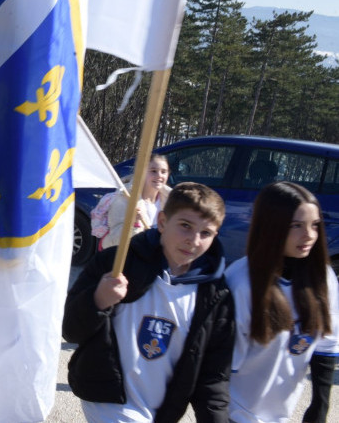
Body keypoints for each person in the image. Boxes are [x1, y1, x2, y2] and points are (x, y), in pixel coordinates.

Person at [63, 182, 234, 423]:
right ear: (162, 222)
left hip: (161, 411)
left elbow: (213, 375)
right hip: (107, 398)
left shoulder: (215, 294)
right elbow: (70, 329)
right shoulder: (117, 264)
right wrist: (97, 300)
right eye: (185, 226)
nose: (194, 240)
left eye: (205, 233)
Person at [225, 182, 339, 423]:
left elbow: (326, 346)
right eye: (296, 225)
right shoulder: (241, 281)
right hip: (236, 412)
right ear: (271, 227)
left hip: (280, 415)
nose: (309, 235)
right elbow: (222, 367)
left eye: (315, 225)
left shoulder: (323, 278)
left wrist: (319, 406)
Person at [91, 154, 171, 250]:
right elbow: (113, 241)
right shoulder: (124, 198)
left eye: (163, 172)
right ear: (141, 172)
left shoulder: (171, 202)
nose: (159, 176)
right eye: (153, 171)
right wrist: (135, 225)